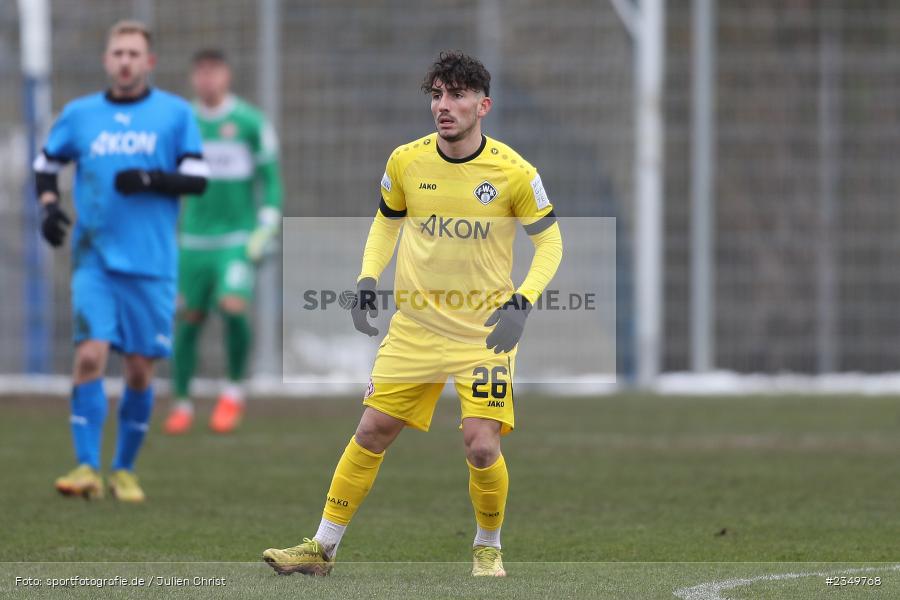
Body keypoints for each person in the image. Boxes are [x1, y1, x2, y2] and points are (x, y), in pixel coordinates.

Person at [262, 51, 563, 577]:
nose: (443, 106)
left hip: (483, 333)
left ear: (483, 105)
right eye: (437, 95)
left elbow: (551, 244)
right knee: (372, 429)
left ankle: (487, 546)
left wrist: (522, 303)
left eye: (457, 95)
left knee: (481, 446)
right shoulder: (406, 161)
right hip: (416, 326)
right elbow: (386, 224)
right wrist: (365, 280)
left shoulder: (515, 173)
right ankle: (322, 547)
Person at [34, 20, 209, 502]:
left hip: (152, 266)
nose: (126, 61)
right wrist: (49, 208)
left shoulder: (174, 114)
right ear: (107, 60)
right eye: (118, 53)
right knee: (89, 355)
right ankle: (86, 467)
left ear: (148, 62)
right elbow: (45, 164)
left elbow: (198, 177)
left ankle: (123, 470)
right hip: (95, 259)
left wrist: (152, 179)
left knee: (137, 370)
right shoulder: (80, 114)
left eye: (135, 53)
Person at [164, 48, 283, 435]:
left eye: (214, 71)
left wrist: (265, 226)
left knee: (233, 307)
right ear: (193, 77)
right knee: (190, 317)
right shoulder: (182, 122)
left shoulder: (249, 122)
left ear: (227, 76)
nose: (207, 79)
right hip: (192, 241)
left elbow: (272, 182)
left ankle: (233, 392)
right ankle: (181, 401)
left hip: (236, 239)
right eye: (200, 72)